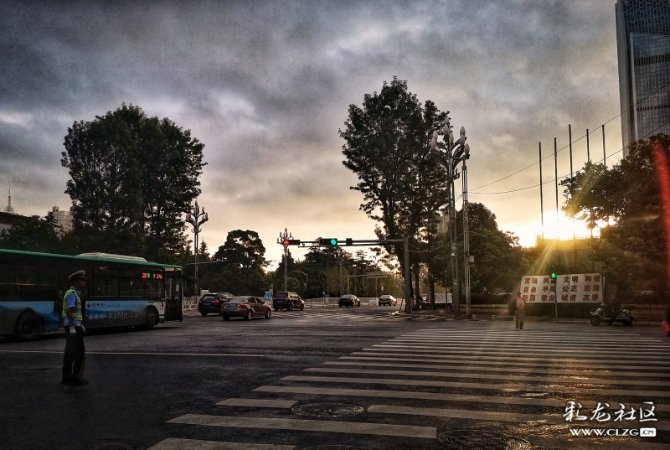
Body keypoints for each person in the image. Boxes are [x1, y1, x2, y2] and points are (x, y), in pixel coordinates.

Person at [61, 270, 88, 386]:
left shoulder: (75, 293)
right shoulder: (72, 293)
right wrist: (73, 327)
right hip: (73, 326)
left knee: (72, 352)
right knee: (77, 353)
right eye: (82, 280)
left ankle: (69, 377)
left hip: (75, 325)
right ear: (76, 282)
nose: (84, 282)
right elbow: (69, 311)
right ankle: (74, 377)